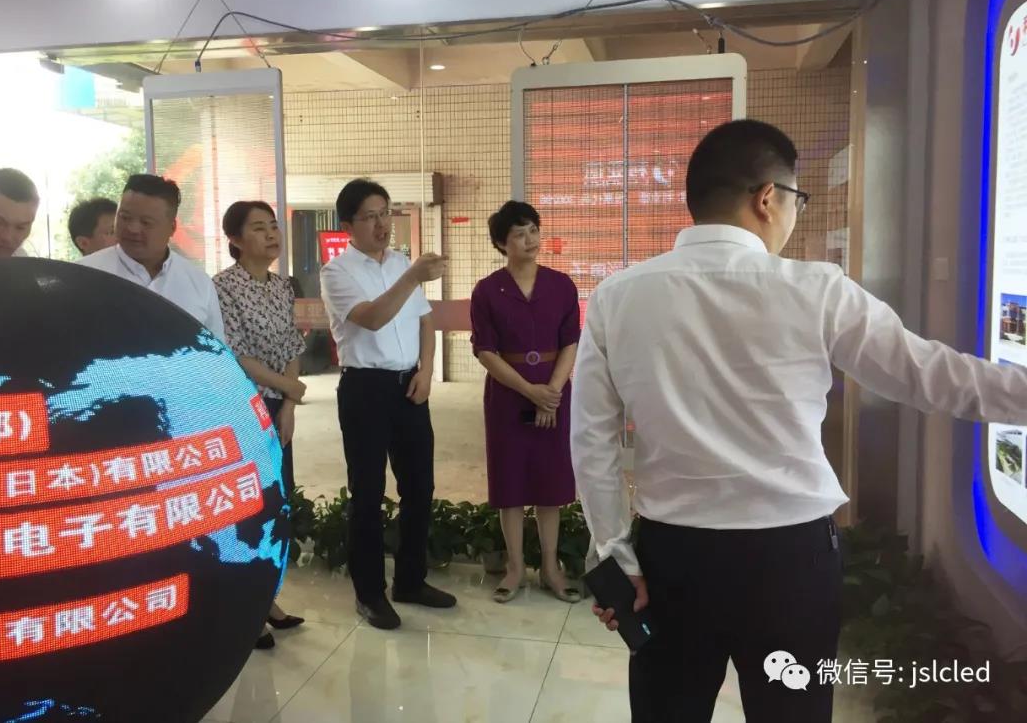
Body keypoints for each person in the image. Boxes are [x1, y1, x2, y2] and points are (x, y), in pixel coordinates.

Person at [572, 118, 1027, 723]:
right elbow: (930, 375)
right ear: (768, 197)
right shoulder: (817, 289)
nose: (794, 215)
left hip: (673, 558)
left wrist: (615, 553)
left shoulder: (617, 296)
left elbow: (592, 440)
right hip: (790, 561)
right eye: (796, 200)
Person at [319, 178, 455, 630]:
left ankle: (411, 580)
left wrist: (426, 371)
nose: (382, 224)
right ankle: (370, 593)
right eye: (370, 217)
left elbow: (425, 322)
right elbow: (373, 319)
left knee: (419, 486)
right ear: (348, 225)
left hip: (409, 386)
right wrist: (413, 276)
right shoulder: (337, 273)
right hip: (365, 390)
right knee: (368, 492)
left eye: (385, 214)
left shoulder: (399, 262)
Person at [470, 201, 581, 604]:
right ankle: (515, 568)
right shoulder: (487, 290)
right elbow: (485, 351)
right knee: (510, 482)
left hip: (554, 393)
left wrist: (550, 394)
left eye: (534, 229)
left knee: (551, 483)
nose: (530, 239)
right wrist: (529, 391)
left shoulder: (561, 285)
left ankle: (551, 568)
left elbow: (570, 342)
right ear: (502, 243)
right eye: (519, 234)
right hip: (507, 395)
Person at [214, 200, 307, 650]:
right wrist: (289, 387)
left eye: (273, 226)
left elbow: (291, 343)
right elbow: (236, 354)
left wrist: (289, 402)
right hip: (243, 407)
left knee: (277, 503)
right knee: (250, 506)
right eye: (258, 228)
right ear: (235, 239)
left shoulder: (282, 286)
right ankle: (246, 608)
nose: (271, 234)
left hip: (278, 407)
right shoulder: (223, 288)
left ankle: (267, 599)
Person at [78, 174, 224, 341]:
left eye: (146, 222)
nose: (132, 229)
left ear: (172, 227)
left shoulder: (200, 283)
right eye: (125, 217)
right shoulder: (84, 275)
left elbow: (215, 350)